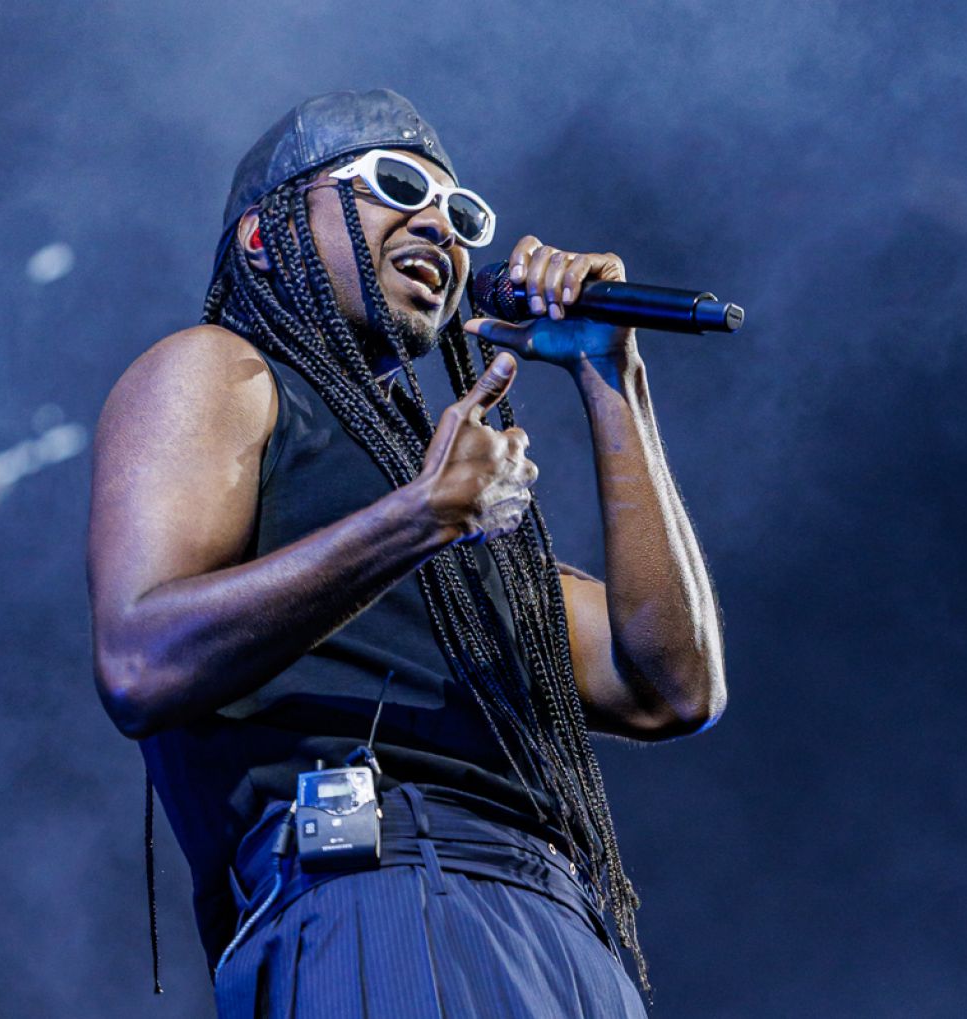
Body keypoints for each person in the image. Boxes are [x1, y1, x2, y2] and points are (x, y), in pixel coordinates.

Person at [86, 88, 725, 1018]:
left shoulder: (445, 491)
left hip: (560, 930)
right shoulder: (223, 372)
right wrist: (420, 517)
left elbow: (671, 688)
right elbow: (139, 660)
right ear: (263, 236)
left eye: (462, 214)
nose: (439, 225)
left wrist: (610, 372)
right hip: (382, 891)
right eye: (391, 186)